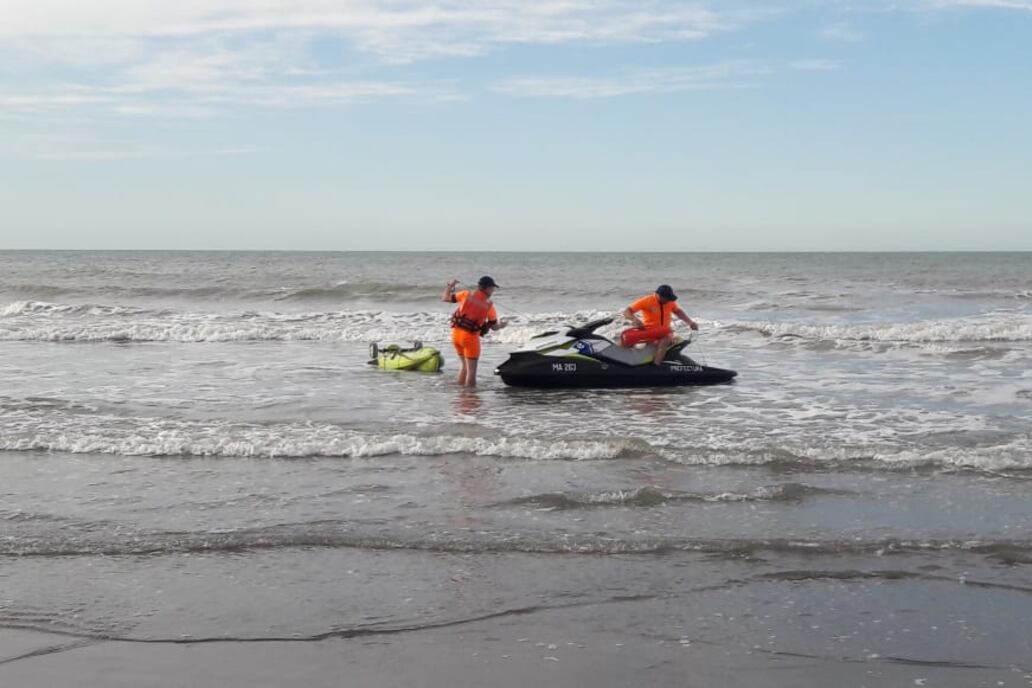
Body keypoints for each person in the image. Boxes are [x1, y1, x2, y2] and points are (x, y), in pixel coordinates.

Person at [442, 276, 508, 387]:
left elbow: (445, 298)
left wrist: (450, 285)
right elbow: (494, 327)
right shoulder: (488, 305)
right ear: (487, 288)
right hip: (470, 339)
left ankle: (460, 392)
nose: (492, 291)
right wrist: (502, 325)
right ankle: (470, 397)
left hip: (456, 335)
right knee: (471, 372)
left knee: (464, 366)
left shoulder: (466, 294)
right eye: (492, 288)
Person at [622, 284, 699, 366]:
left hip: (665, 332)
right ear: (658, 295)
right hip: (649, 331)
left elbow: (678, 312)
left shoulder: (670, 302)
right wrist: (635, 319)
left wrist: (690, 322)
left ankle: (656, 366)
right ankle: (623, 361)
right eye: (667, 298)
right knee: (627, 338)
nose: (668, 301)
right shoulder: (646, 301)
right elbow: (627, 311)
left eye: (670, 298)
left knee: (665, 339)